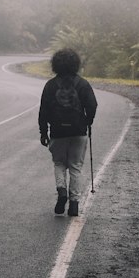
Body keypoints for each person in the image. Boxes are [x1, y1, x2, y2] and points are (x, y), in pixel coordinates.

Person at [38, 47, 97, 217]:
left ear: (55, 64)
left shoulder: (50, 85)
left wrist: (44, 132)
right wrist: (87, 121)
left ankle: (62, 191)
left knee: (59, 164)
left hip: (57, 132)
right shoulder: (83, 84)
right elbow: (92, 106)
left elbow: (43, 111)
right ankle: (74, 205)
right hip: (79, 131)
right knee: (75, 167)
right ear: (76, 64)